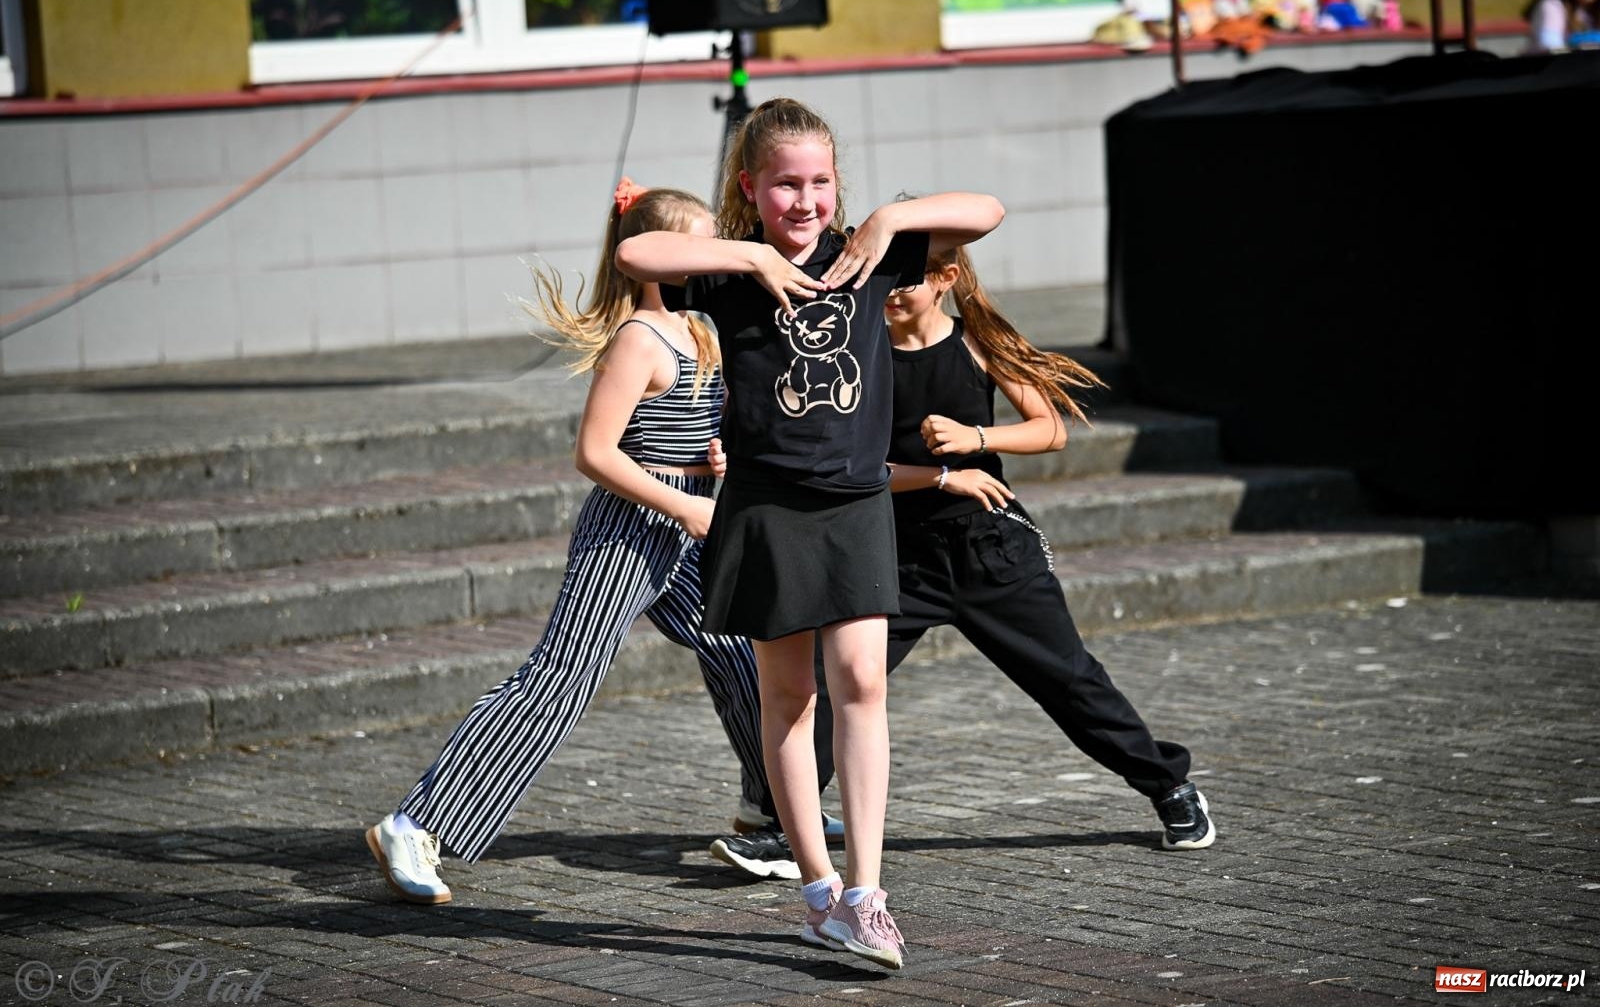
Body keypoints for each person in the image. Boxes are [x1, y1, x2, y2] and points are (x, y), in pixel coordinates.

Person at [614, 98, 1004, 970]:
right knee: (787, 697)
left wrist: (892, 216)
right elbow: (636, 251)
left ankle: (868, 893)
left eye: (820, 181)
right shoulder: (731, 269)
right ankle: (821, 892)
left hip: (858, 501)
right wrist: (745, 250)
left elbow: (987, 211)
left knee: (862, 677)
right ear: (752, 188)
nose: (805, 200)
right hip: (768, 505)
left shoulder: (869, 252)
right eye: (785, 184)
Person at [708, 242, 1215, 877]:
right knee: (835, 685)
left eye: (906, 280)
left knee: (1069, 679)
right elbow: (854, 470)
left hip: (990, 555)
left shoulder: (975, 342)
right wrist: (941, 475)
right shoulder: (861, 353)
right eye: (880, 280)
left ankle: (1170, 786)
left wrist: (977, 440)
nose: (889, 292)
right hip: (896, 556)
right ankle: (784, 829)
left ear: (946, 278)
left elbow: (1049, 427)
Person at [365, 180, 779, 903]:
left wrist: (711, 458)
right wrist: (684, 506)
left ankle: (769, 809)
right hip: (631, 527)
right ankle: (414, 822)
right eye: (697, 241)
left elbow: (684, 431)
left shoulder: (700, 328)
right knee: (562, 677)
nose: (712, 252)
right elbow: (595, 452)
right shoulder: (637, 338)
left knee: (739, 648)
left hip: (684, 522)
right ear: (651, 256)